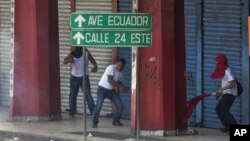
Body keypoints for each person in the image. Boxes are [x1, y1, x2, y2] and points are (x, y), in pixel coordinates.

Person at [92, 58, 128, 128]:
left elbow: (119, 82)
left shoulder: (121, 74)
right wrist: (118, 86)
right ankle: (95, 122)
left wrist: (122, 87)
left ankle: (116, 120)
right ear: (116, 63)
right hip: (102, 88)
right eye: (118, 65)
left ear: (123, 67)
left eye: (121, 66)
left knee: (121, 106)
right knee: (98, 106)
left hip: (111, 91)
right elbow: (110, 80)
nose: (119, 67)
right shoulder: (111, 67)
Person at [64, 47, 98, 117]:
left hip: (84, 77)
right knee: (73, 95)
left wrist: (95, 67)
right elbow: (64, 61)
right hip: (74, 77)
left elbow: (92, 59)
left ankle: (93, 112)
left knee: (87, 95)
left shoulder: (85, 52)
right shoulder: (72, 54)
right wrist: (69, 60)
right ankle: (72, 111)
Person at [210, 53, 237, 133]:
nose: (216, 64)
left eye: (217, 62)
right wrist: (220, 92)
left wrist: (221, 90)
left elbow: (232, 84)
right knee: (218, 109)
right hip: (226, 93)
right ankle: (228, 127)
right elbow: (225, 83)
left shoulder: (227, 70)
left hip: (230, 94)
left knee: (225, 112)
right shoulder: (222, 69)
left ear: (221, 62)